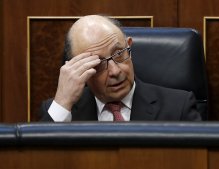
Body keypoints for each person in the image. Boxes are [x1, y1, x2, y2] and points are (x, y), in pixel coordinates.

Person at [40, 15, 202, 122]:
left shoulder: (178, 107)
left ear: (129, 46)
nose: (115, 71)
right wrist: (62, 102)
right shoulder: (61, 111)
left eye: (119, 54)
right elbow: (38, 165)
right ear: (77, 70)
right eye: (98, 63)